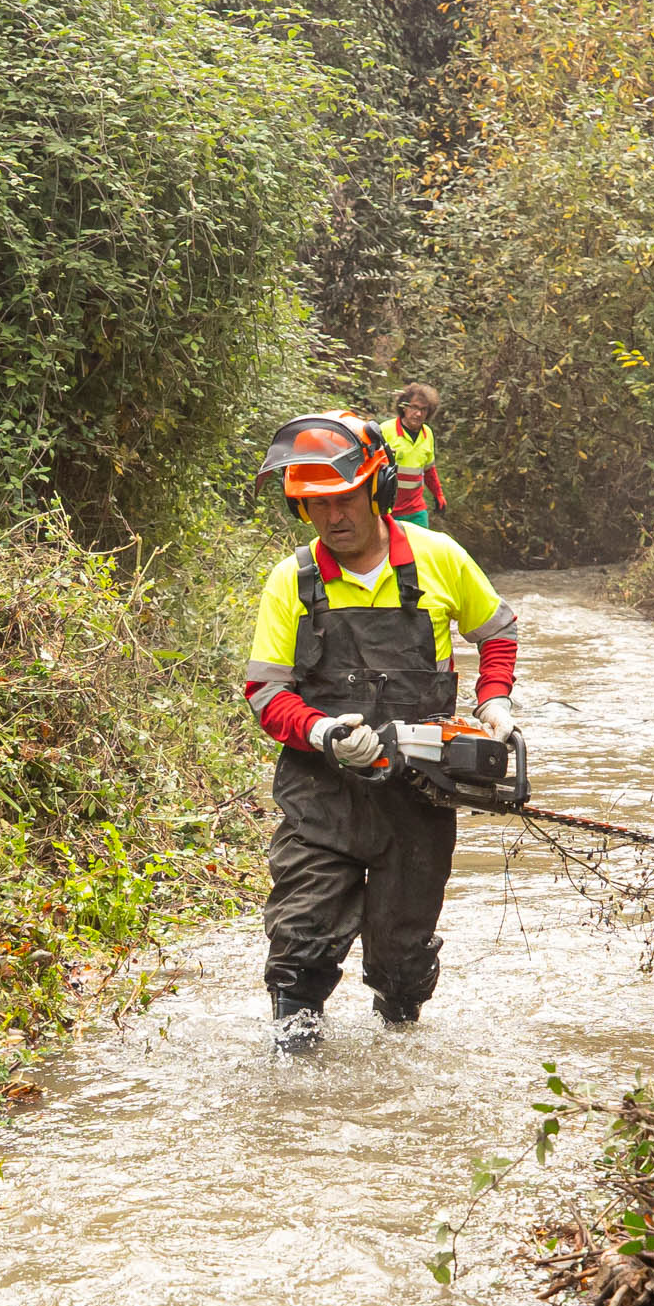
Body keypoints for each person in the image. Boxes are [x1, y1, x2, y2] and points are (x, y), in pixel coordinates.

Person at [238, 412, 521, 1054]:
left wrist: (494, 702)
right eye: (315, 506)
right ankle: (294, 1082)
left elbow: (496, 631)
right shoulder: (293, 580)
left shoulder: (439, 559)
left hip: (417, 800)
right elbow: (266, 692)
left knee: (400, 962)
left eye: (343, 501)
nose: (333, 519)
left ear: (376, 490)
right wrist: (321, 730)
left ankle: (398, 1058)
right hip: (321, 798)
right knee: (300, 944)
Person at [381, 383, 444, 523]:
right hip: (386, 509)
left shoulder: (427, 433)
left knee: (420, 545)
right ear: (404, 407)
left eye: (424, 409)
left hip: (415, 510)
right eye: (414, 407)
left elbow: (429, 470)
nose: (418, 413)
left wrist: (438, 495)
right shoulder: (386, 430)